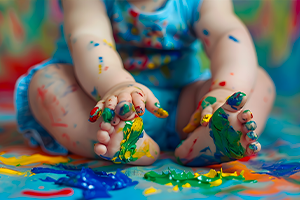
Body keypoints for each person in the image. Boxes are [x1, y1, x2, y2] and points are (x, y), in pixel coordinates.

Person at [14, 0, 275, 166]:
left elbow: (227, 36)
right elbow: (87, 36)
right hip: (101, 106)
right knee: (46, 84)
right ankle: (125, 143)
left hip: (187, 111)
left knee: (258, 81)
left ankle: (213, 137)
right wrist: (116, 86)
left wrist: (224, 89)